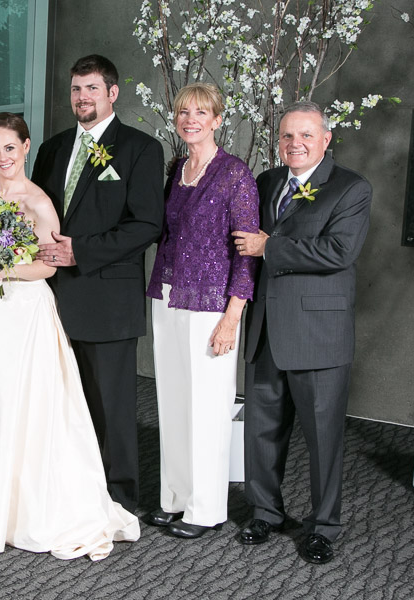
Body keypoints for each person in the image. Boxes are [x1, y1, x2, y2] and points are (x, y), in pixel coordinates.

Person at [0, 113, 140, 560]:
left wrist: (3, 269)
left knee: (26, 405)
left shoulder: (41, 202)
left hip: (24, 310)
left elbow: (48, 264)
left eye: (10, 148)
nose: (2, 158)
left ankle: (25, 510)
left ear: (26, 148)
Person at [233, 101, 372, 564]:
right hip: (267, 329)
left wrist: (270, 246)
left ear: (326, 139)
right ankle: (266, 512)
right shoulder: (268, 181)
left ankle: (324, 526)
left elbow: (338, 252)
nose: (295, 144)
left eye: (306, 136)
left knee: (323, 437)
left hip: (318, 333)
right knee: (261, 430)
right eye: (288, 136)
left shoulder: (351, 188)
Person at [31, 55, 164, 512]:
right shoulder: (51, 149)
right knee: (61, 402)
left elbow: (147, 224)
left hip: (107, 297)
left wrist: (79, 251)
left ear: (112, 92)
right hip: (50, 297)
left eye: (91, 88)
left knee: (112, 407)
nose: (82, 97)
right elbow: (35, 213)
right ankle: (69, 492)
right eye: (75, 90)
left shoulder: (141, 150)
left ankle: (119, 500)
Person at [144, 83, 259, 538]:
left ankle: (206, 509)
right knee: (172, 402)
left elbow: (246, 252)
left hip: (211, 305)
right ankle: (174, 498)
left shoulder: (235, 174)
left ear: (216, 120)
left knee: (208, 408)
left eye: (200, 112)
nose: (190, 119)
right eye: (183, 112)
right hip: (168, 295)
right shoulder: (178, 169)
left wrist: (232, 318)